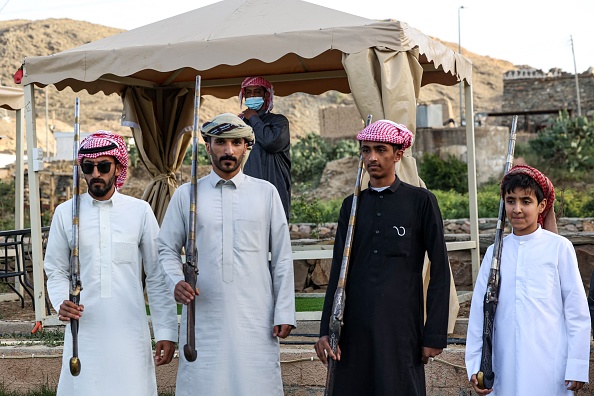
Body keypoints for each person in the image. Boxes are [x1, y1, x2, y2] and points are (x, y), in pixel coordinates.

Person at [158, 113, 296, 396]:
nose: (228, 151)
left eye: (236, 142)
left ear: (247, 147)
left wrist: (284, 310)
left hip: (256, 318)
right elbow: (166, 248)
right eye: (220, 142)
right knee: (204, 385)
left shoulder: (266, 193)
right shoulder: (187, 196)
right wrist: (176, 280)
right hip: (204, 319)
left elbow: (282, 255)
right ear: (208, 145)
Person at [314, 120, 451, 395]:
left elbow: (440, 268)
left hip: (402, 329)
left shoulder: (421, 202)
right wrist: (326, 330)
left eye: (380, 149)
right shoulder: (351, 205)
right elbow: (340, 271)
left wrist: (434, 334)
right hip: (352, 328)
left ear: (398, 154)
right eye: (366, 151)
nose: (372, 157)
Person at [44, 131, 178, 396]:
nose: (96, 173)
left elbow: (157, 275)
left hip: (130, 331)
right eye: (88, 167)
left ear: (117, 168)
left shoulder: (139, 211)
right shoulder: (65, 213)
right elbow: (56, 270)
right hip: (85, 331)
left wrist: (166, 330)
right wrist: (61, 301)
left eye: (103, 166)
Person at [465, 165, 590, 395]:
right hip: (503, 368)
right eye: (511, 201)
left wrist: (577, 365)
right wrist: (475, 366)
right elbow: (478, 315)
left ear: (541, 205)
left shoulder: (559, 249)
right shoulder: (495, 253)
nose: (517, 209)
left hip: (550, 368)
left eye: (526, 201)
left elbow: (577, 312)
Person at [239, 76, 291, 220]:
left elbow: (271, 142)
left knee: (274, 235)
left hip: (273, 188)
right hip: (246, 192)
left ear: (266, 95)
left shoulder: (279, 121)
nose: (252, 96)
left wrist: (254, 118)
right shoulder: (240, 124)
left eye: (257, 92)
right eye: (248, 93)